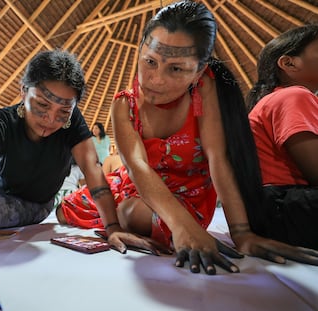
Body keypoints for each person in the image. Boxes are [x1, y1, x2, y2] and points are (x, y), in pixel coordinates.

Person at [57, 1, 318, 275]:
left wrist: (242, 234)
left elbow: (219, 161)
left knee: (133, 215)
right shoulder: (124, 104)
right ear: (141, 49)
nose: (155, 79)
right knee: (66, 211)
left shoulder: (205, 90)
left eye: (176, 69)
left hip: (188, 193)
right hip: (138, 182)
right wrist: (181, 228)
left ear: (199, 70)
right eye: (150, 62)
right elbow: (137, 167)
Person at [0, 49, 162, 310]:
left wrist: (113, 227)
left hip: (34, 204)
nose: (50, 120)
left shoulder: (73, 125)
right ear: (23, 91)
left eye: (64, 112)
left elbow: (93, 170)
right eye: (41, 105)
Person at [247, 24, 318, 249]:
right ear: (289, 63)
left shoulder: (272, 100)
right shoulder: (295, 95)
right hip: (284, 208)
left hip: (268, 213)